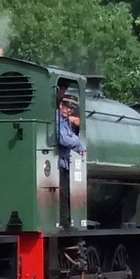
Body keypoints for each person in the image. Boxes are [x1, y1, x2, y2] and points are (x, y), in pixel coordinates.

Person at [56, 94, 85, 228]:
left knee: (66, 193)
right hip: (57, 163)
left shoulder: (65, 120)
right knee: (62, 194)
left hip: (64, 162)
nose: (69, 111)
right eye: (67, 107)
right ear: (61, 105)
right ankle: (63, 222)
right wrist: (78, 143)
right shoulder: (58, 119)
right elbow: (64, 139)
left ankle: (66, 222)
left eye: (72, 109)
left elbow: (71, 137)